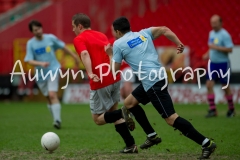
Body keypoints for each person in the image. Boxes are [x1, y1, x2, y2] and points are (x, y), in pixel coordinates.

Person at [104, 17, 217, 159]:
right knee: (129, 103)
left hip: (153, 83)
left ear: (118, 31)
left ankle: (206, 143)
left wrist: (109, 54)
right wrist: (178, 43)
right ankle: (152, 136)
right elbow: (164, 29)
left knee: (171, 119)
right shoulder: (143, 34)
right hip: (157, 77)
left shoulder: (118, 44)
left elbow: (114, 70)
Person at [71, 13, 137, 153]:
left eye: (73, 26)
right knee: (113, 114)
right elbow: (109, 53)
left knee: (98, 119)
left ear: (80, 26)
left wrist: (90, 73)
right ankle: (131, 145)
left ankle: (123, 112)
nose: (73, 30)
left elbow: (84, 54)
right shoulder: (101, 35)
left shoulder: (79, 38)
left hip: (100, 81)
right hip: (114, 77)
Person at [24, 20, 80, 129]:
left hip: (53, 69)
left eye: (39, 28)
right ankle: (55, 118)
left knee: (52, 94)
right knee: (48, 97)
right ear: (32, 32)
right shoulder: (30, 44)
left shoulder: (50, 38)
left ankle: (57, 120)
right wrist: (41, 63)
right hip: (40, 74)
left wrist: (74, 56)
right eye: (35, 30)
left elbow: (63, 46)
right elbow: (29, 60)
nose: (38, 31)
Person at [203, 15, 235, 118]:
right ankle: (213, 110)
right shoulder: (211, 33)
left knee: (225, 87)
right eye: (212, 23)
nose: (213, 25)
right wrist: (207, 53)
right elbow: (211, 47)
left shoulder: (225, 35)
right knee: (209, 85)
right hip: (212, 63)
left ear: (221, 23)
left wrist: (215, 48)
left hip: (223, 63)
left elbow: (230, 49)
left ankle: (231, 109)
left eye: (215, 23)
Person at [109, 25, 135, 100]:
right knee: (122, 93)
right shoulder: (110, 43)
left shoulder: (127, 41)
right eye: (112, 30)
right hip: (116, 70)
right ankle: (132, 104)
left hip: (126, 68)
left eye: (114, 30)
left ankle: (134, 107)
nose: (113, 32)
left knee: (127, 90)